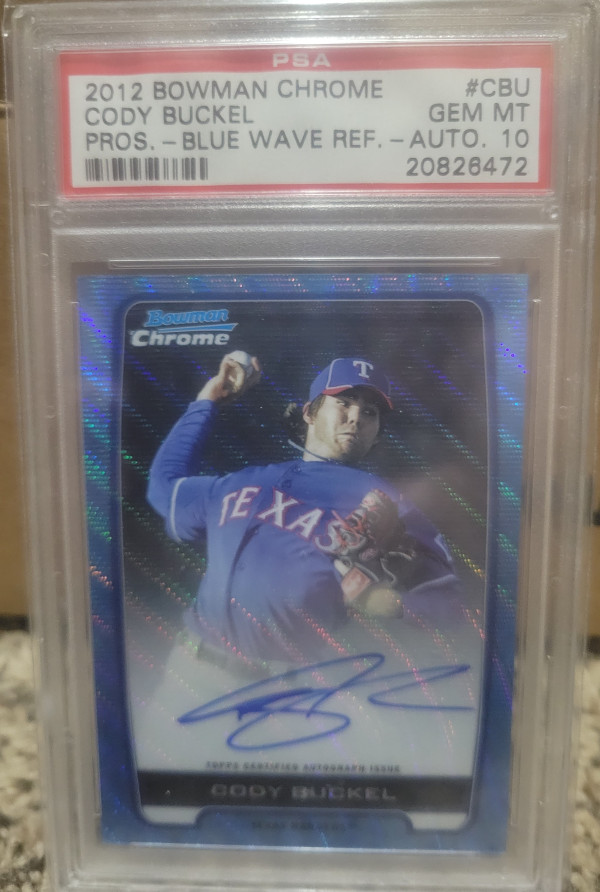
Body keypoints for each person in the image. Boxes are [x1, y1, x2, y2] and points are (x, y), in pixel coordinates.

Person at [147, 354, 459, 671]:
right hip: (188, 670)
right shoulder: (244, 481)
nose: (356, 418)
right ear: (310, 412)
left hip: (284, 686)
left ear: (377, 434)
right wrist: (208, 399)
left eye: (370, 412)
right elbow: (164, 487)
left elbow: (451, 604)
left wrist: (388, 603)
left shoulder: (388, 502)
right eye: (344, 403)